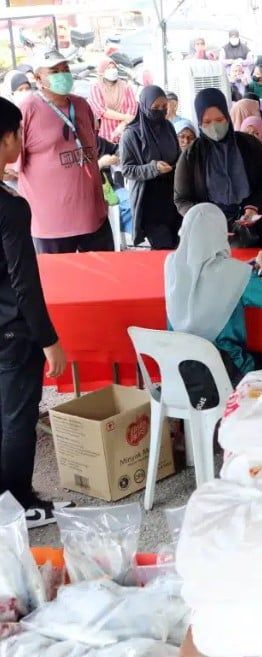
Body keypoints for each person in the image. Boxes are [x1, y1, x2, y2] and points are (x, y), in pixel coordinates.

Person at [0, 96, 68, 526]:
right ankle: (20, 505)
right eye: (18, 133)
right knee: (17, 419)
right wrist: (50, 340)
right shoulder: (10, 207)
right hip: (12, 331)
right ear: (7, 138)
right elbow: (25, 283)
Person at [165, 204, 262, 386]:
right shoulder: (230, 272)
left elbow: (204, 271)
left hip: (180, 365)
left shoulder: (172, 263)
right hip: (223, 367)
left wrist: (238, 271)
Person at [20, 52, 111, 253]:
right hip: (53, 227)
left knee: (104, 281)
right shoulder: (27, 109)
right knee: (58, 283)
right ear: (38, 78)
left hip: (94, 218)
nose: (62, 75)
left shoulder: (81, 105)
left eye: (66, 70)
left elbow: (91, 146)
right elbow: (10, 165)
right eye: (54, 71)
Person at [174, 88, 262, 247]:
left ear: (228, 117)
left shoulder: (250, 145)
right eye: (207, 122)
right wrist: (204, 217)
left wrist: (253, 205)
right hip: (211, 232)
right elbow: (181, 199)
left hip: (256, 228)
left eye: (219, 119)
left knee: (258, 269)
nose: (214, 127)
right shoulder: (192, 156)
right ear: (199, 123)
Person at [118, 86, 182, 250]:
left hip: (173, 198)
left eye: (164, 107)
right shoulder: (131, 135)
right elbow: (127, 169)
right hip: (149, 200)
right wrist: (153, 168)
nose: (161, 111)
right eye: (156, 108)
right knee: (163, 247)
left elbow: (177, 153)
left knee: (178, 244)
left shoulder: (168, 127)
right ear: (145, 106)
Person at [88, 59, 137, 145]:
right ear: (102, 72)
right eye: (108, 68)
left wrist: (121, 127)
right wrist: (125, 117)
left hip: (126, 133)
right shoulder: (96, 87)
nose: (112, 70)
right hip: (105, 136)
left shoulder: (125, 87)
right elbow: (101, 111)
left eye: (114, 67)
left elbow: (132, 109)